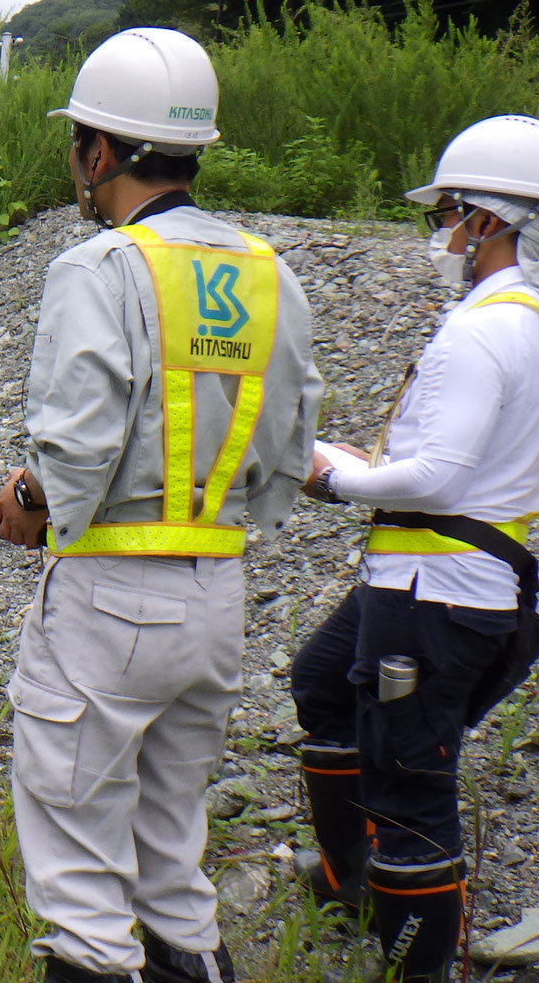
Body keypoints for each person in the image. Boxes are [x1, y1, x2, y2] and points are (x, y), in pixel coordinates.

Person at [0, 27, 321, 983]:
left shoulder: (100, 268)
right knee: (171, 862)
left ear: (100, 153)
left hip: (108, 597)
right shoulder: (270, 273)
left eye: (78, 146)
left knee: (83, 884)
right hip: (217, 587)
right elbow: (287, 449)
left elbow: (77, 454)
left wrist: (26, 497)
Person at [290, 115, 539, 982]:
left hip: (435, 591)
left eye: (446, 215)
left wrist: (334, 478)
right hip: (455, 579)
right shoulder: (522, 323)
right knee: (322, 682)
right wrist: (376, 467)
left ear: (488, 219)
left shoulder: (482, 333)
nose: (439, 234)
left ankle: (414, 960)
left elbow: (436, 478)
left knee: (409, 784)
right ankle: (350, 879)